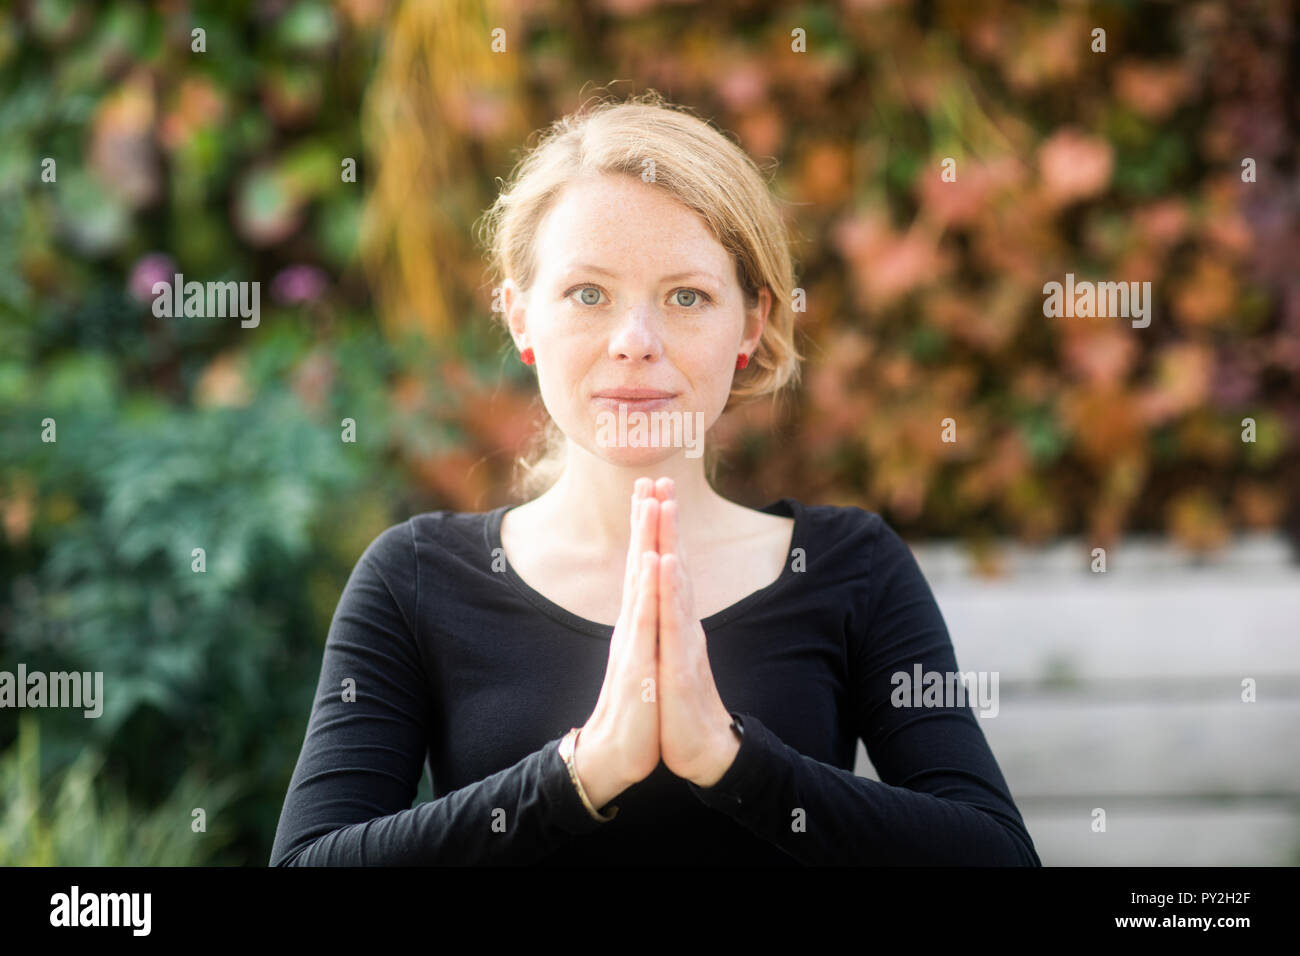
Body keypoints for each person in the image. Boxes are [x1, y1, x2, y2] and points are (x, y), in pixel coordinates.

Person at [269, 91, 1041, 866]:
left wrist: (737, 763)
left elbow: (999, 856)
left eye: (686, 296)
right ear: (519, 315)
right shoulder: (413, 579)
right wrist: (582, 772)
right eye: (588, 294)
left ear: (751, 322)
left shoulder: (853, 566)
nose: (635, 341)